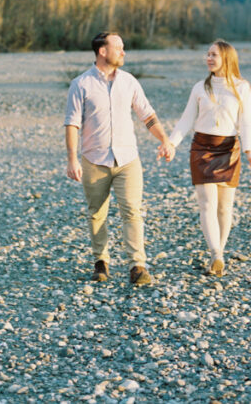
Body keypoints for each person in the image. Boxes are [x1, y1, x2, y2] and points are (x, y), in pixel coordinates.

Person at [64, 31, 176, 286]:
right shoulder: (80, 84)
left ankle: (137, 265)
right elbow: (72, 124)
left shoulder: (129, 82)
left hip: (128, 160)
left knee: (132, 211)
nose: (123, 52)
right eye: (119, 47)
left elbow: (147, 115)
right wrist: (72, 160)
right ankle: (101, 261)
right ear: (102, 51)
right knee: (96, 214)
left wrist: (164, 140)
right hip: (94, 159)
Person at [164, 40, 251, 277]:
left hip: (229, 149)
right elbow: (187, 119)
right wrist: (171, 143)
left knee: (225, 208)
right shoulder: (199, 87)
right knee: (207, 203)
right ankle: (216, 253)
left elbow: (247, 121)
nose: (209, 58)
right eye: (207, 54)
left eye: (214, 55)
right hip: (202, 148)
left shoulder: (242, 87)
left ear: (226, 58)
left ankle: (219, 254)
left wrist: (250, 150)